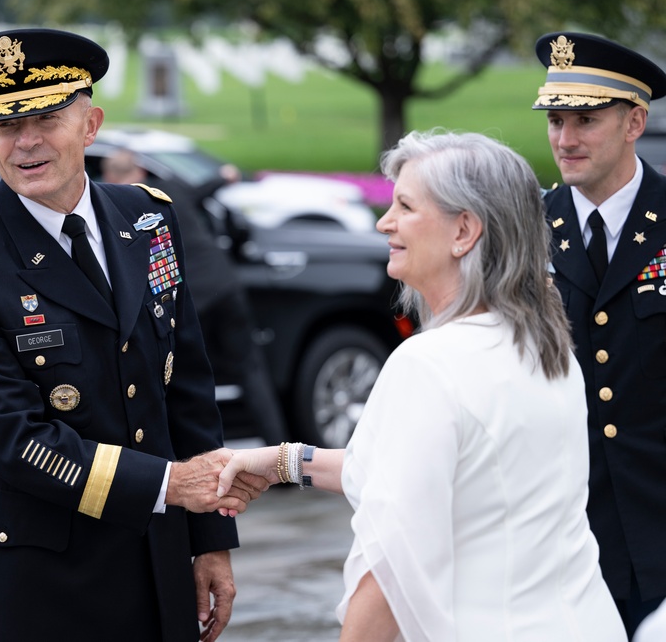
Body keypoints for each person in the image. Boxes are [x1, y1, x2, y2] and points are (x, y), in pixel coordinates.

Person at [0, 28, 266, 642]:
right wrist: (168, 486)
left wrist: (210, 540)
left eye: (47, 118)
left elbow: (186, 389)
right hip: (44, 582)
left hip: (158, 557)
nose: (26, 142)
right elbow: (13, 440)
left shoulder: (148, 217)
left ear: (91, 124)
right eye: (4, 126)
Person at [216, 130, 626, 641]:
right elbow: (435, 473)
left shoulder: (431, 364)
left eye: (405, 206)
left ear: (464, 231)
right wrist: (282, 462)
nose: (384, 222)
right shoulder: (547, 346)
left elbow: (393, 571)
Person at [530, 31, 666, 638]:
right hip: (568, 541)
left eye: (585, 119)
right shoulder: (529, 230)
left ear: (635, 121)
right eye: (556, 120)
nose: (565, 139)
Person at [101, 148, 288, 444]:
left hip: (187, 298)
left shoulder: (114, 206)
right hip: (224, 284)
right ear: (140, 171)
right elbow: (204, 189)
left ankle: (197, 455)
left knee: (184, 375)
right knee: (250, 369)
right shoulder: (170, 190)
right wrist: (225, 175)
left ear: (111, 177)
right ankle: (279, 449)